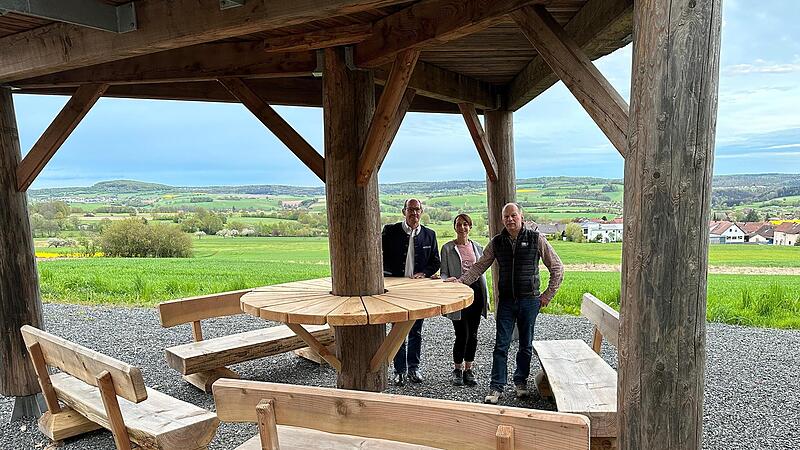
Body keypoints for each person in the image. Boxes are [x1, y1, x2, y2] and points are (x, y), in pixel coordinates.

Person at [446, 203, 563, 404]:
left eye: (513, 215)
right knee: (501, 345)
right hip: (506, 302)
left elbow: (557, 267)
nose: (510, 219)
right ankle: (496, 387)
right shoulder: (497, 242)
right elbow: (479, 266)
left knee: (525, 345)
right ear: (502, 220)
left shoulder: (536, 239)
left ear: (521, 216)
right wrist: (460, 281)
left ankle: (521, 383)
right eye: (506, 216)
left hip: (529, 301)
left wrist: (547, 296)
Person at [382, 198, 440, 386]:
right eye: (411, 210)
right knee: (398, 330)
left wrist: (424, 273)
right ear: (403, 211)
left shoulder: (429, 235)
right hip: (394, 290)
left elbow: (435, 261)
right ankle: (399, 371)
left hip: (417, 292)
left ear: (421, 212)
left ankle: (414, 368)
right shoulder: (390, 231)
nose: (414, 213)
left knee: (416, 331)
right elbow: (377, 254)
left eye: (417, 210)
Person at [440, 213, 489, 387]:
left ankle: (469, 369)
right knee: (461, 334)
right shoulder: (447, 248)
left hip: (476, 292)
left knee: (473, 334)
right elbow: (443, 273)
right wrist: (447, 280)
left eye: (465, 224)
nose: (462, 227)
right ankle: (457, 369)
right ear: (454, 227)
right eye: (459, 224)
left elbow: (481, 270)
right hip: (458, 293)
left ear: (470, 227)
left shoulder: (477, 247)